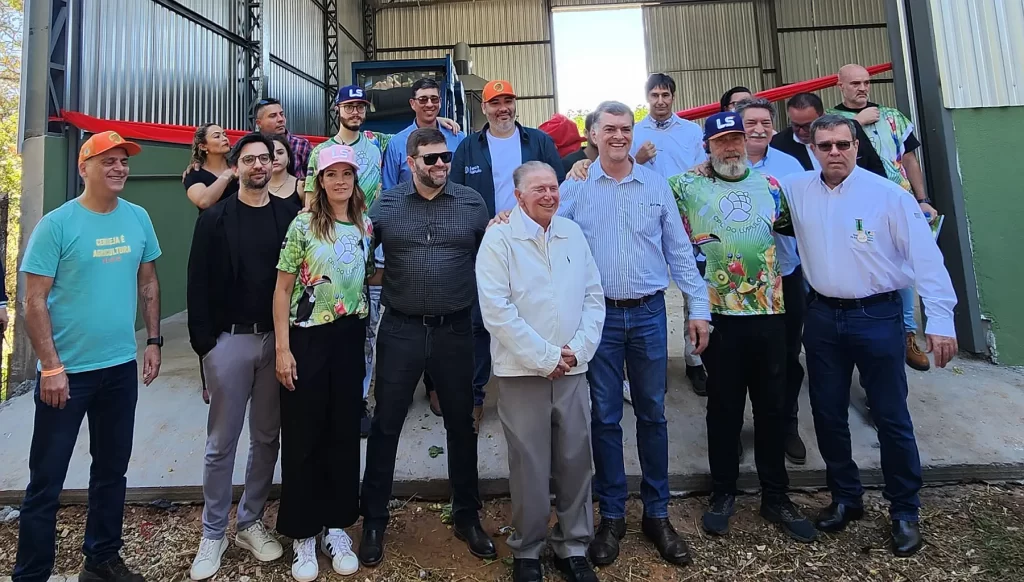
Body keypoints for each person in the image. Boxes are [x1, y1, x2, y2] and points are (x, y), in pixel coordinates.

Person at [776, 115, 958, 557]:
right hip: (821, 318)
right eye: (825, 146)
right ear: (812, 149)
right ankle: (846, 498)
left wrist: (941, 320)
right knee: (828, 412)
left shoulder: (889, 196)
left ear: (856, 145)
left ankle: (904, 510)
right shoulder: (796, 191)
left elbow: (926, 259)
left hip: (877, 316)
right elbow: (737, 174)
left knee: (892, 417)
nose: (834, 152)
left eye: (842, 144)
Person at [558, 101, 710, 567]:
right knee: (603, 418)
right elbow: (542, 228)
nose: (619, 136)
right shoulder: (577, 187)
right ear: (594, 136)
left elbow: (680, 252)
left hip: (647, 315)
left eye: (625, 128)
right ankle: (613, 516)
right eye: (610, 129)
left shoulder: (656, 185)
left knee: (652, 415)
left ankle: (657, 514)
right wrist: (507, 219)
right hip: (598, 319)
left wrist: (698, 307)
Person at [15, 131, 163, 582]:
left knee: (112, 471)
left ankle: (101, 560)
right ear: (84, 168)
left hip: (118, 368)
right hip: (67, 375)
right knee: (47, 480)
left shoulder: (137, 218)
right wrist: (52, 367)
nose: (119, 168)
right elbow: (33, 301)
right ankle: (32, 573)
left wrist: (153, 340)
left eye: (123, 161)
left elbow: (149, 282)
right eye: (108, 161)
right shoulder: (58, 225)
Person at [669, 112, 817, 544]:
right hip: (718, 319)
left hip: (771, 314)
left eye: (737, 138)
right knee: (723, 408)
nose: (731, 147)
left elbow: (806, 225)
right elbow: (637, 193)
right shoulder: (684, 187)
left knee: (773, 407)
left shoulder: (772, 188)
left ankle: (776, 496)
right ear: (708, 147)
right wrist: (583, 162)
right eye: (721, 141)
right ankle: (722, 493)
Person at [359, 128, 493, 568]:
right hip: (401, 329)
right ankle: (375, 519)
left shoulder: (472, 204)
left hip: (455, 330)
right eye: (431, 159)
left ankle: (467, 515)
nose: (440, 166)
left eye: (445, 158)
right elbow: (355, 251)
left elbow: (494, 258)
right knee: (386, 425)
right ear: (411, 161)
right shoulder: (387, 205)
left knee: (460, 424)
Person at [476, 161, 605, 582]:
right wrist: (546, 356)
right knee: (529, 465)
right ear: (518, 197)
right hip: (522, 373)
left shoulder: (572, 233)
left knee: (575, 460)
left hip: (573, 369)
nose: (549, 196)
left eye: (553, 188)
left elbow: (592, 296)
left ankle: (573, 545)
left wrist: (577, 350)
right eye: (538, 190)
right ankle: (528, 551)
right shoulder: (499, 239)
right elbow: (497, 311)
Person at [307, 85, 461, 432]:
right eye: (349, 106)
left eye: (361, 106)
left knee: (376, 324)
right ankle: (338, 396)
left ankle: (364, 397)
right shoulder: (322, 151)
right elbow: (308, 199)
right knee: (338, 318)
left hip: (373, 237)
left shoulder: (380, 141)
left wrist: (441, 122)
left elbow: (417, 138)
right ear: (337, 109)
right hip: (335, 239)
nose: (356, 112)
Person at [185, 133, 298, 580]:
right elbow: (196, 284)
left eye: (264, 159)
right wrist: (205, 349)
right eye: (248, 159)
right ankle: (213, 532)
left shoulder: (289, 217)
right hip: (228, 342)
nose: (257, 166)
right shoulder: (215, 219)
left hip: (275, 341)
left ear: (273, 165)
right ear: (235, 167)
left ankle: (251, 520)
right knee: (221, 444)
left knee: (267, 437)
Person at [274, 144, 381, 581]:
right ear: (319, 180)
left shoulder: (363, 224)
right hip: (307, 338)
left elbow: (367, 276)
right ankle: (302, 532)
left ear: (355, 181)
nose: (340, 182)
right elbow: (282, 290)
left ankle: (335, 524)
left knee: (341, 432)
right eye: (331, 174)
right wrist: (283, 349)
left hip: (348, 337)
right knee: (303, 435)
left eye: (347, 175)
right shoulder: (302, 225)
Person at [451, 79, 565, 428]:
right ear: (483, 108)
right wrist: (484, 222)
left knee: (535, 314)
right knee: (481, 322)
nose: (503, 109)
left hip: (533, 245)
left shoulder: (539, 142)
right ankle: (475, 396)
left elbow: (557, 189)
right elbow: (456, 196)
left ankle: (543, 388)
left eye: (508, 101)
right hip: (486, 246)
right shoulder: (470, 148)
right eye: (495, 102)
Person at [831, 64, 937, 371]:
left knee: (902, 267)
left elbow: (909, 158)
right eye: (854, 83)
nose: (862, 88)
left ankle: (906, 335)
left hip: (896, 202)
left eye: (866, 82)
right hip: (853, 206)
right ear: (840, 86)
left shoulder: (892, 116)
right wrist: (855, 122)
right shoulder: (833, 120)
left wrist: (922, 199)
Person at [736, 97, 809, 465]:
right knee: (733, 360)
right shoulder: (716, 165)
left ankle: (784, 423)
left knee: (785, 357)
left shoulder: (790, 166)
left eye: (765, 122)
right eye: (751, 122)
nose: (759, 128)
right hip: (735, 282)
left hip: (784, 276)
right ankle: (732, 427)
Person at [629, 73, 708, 395]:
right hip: (647, 220)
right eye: (654, 95)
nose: (660, 101)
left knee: (692, 285)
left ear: (673, 97)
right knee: (649, 289)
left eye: (665, 95)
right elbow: (621, 168)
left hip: (687, 220)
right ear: (646, 98)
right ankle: (652, 362)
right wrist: (639, 158)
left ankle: (694, 361)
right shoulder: (635, 132)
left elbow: (704, 168)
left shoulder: (691, 132)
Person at [770, 92, 886, 176]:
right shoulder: (778, 144)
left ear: (823, 116)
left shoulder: (851, 129)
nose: (801, 131)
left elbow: (875, 168)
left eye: (807, 126)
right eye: (795, 125)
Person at [381, 77, 466, 190]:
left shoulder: (458, 138)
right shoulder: (397, 144)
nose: (429, 104)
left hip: (452, 206)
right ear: (412, 103)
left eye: (434, 99)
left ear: (440, 102)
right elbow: (389, 188)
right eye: (423, 99)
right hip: (409, 207)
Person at [184, 123, 239, 211]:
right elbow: (204, 202)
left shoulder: (239, 166)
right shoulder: (194, 174)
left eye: (224, 135)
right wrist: (227, 175)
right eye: (217, 136)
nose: (224, 139)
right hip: (213, 224)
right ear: (203, 146)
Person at [254, 97, 312, 179]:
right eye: (273, 116)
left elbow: (314, 177)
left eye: (281, 114)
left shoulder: (302, 145)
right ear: (259, 123)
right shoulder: (251, 146)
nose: (281, 119)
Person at [267, 133, 304, 208]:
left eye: (280, 153)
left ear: (289, 156)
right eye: (269, 154)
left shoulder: (301, 186)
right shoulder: (256, 186)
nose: (275, 158)